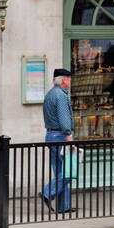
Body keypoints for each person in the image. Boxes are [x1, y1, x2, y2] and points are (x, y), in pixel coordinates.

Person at [42, 68, 75, 213]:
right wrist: (69, 137)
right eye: (69, 79)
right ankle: (47, 193)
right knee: (68, 171)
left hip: (50, 135)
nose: (70, 81)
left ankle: (63, 206)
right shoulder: (61, 96)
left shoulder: (49, 94)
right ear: (63, 80)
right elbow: (64, 119)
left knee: (60, 171)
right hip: (61, 136)